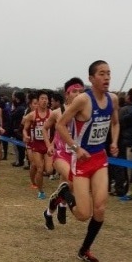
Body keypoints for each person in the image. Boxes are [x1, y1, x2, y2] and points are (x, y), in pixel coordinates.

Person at [51, 60, 119, 262]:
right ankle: (63, 193)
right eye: (101, 73)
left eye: (108, 73)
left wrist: (114, 142)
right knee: (83, 214)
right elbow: (61, 125)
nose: (106, 77)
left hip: (100, 159)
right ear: (91, 78)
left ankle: (84, 249)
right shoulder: (82, 100)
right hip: (80, 161)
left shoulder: (113, 99)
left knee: (100, 208)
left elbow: (115, 123)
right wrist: (75, 148)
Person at [42, 77, 85, 229]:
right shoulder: (57, 112)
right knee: (72, 180)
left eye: (81, 91)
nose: (78, 94)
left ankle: (48, 213)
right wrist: (49, 145)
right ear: (67, 94)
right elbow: (44, 128)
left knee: (64, 188)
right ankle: (63, 206)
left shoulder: (84, 112)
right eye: (74, 91)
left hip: (75, 154)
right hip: (60, 153)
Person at [22, 90, 53, 199]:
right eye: (42, 99)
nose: (44, 101)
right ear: (38, 101)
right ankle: (40, 191)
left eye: (46, 99)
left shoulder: (52, 114)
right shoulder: (32, 115)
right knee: (39, 168)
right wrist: (25, 135)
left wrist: (53, 143)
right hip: (36, 146)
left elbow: (59, 128)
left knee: (49, 170)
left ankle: (40, 178)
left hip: (48, 145)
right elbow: (25, 129)